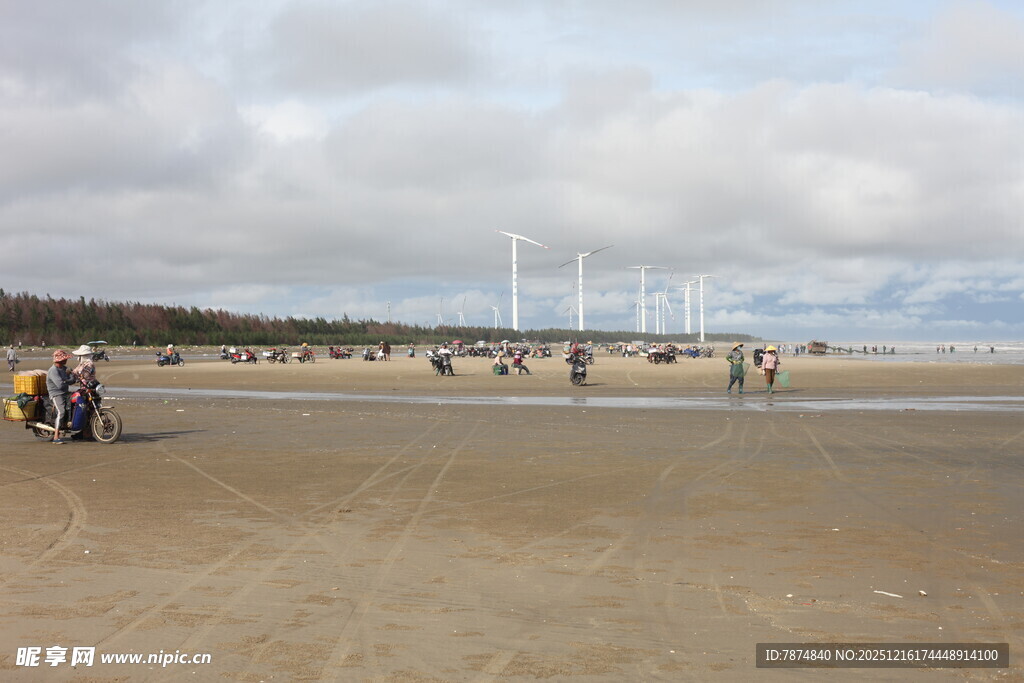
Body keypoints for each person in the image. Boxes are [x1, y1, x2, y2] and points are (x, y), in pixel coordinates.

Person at [46, 349, 75, 444]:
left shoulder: (63, 368)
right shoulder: (53, 370)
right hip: (56, 394)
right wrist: (68, 379)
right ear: (59, 360)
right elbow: (60, 385)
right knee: (61, 411)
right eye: (64, 359)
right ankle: (55, 437)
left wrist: (70, 377)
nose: (66, 360)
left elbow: (72, 380)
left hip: (64, 392)